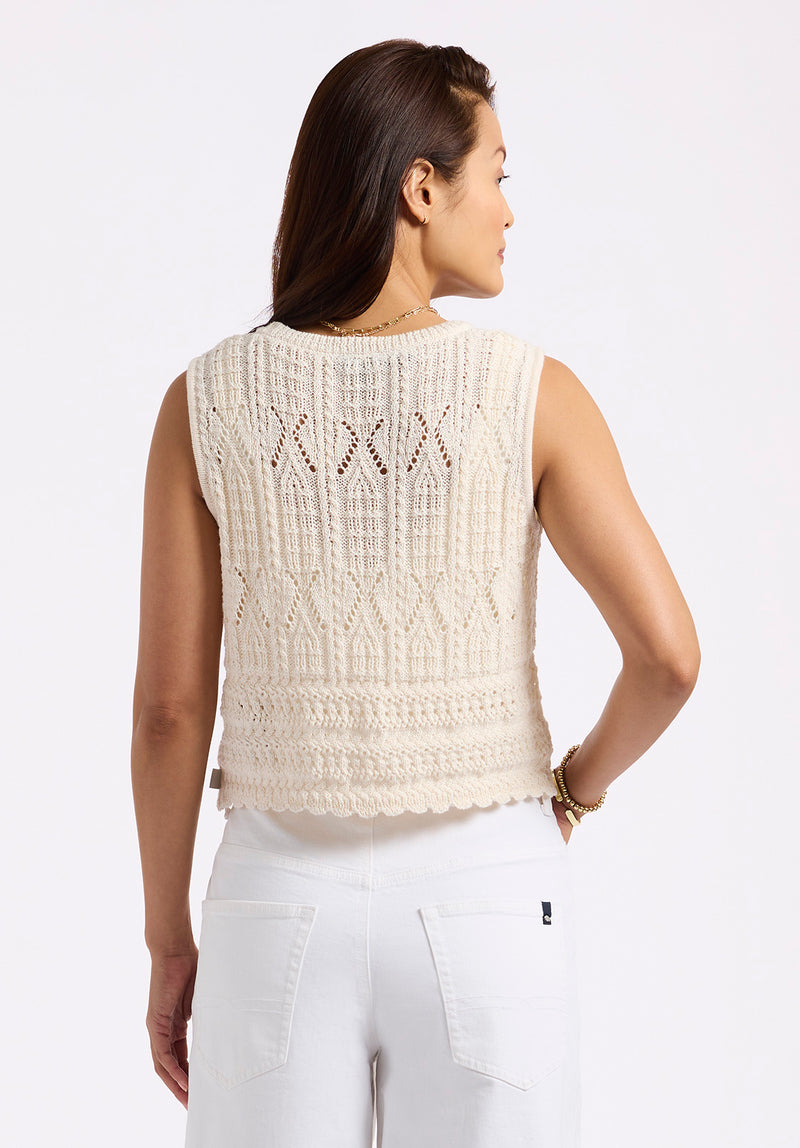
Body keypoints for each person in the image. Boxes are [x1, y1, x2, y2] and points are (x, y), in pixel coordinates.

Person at [131, 39, 701, 1148]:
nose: (508, 209)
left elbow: (168, 711)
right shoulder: (530, 393)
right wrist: (572, 791)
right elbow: (668, 658)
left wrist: (168, 939)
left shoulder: (204, 402)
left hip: (273, 900)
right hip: (490, 887)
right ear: (421, 186)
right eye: (496, 173)